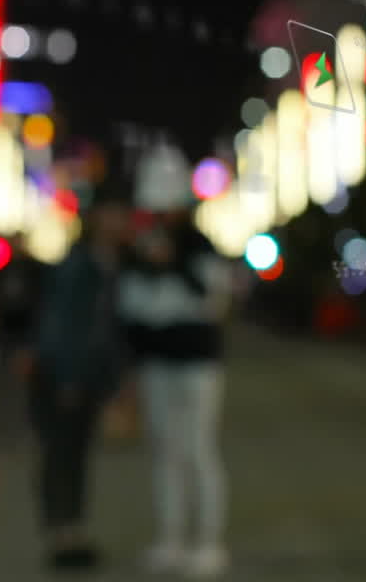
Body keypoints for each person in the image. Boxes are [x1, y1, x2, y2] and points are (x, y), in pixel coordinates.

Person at [121, 144, 232, 578]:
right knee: (166, 451)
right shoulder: (141, 249)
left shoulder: (200, 245)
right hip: (156, 363)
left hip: (198, 363)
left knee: (198, 450)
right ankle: (171, 537)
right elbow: (133, 306)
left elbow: (214, 300)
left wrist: (177, 267)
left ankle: (208, 542)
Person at [29, 183, 129, 571]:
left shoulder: (108, 263)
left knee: (75, 455)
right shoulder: (80, 265)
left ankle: (72, 532)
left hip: (86, 377)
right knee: (62, 456)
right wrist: (67, 377)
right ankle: (63, 535)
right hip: (65, 378)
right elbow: (63, 326)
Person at [0, 234, 46, 448]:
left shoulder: (34, 269)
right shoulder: (1, 270)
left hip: (27, 335)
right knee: (4, 383)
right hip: (6, 335)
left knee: (29, 383)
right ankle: (6, 427)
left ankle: (28, 426)